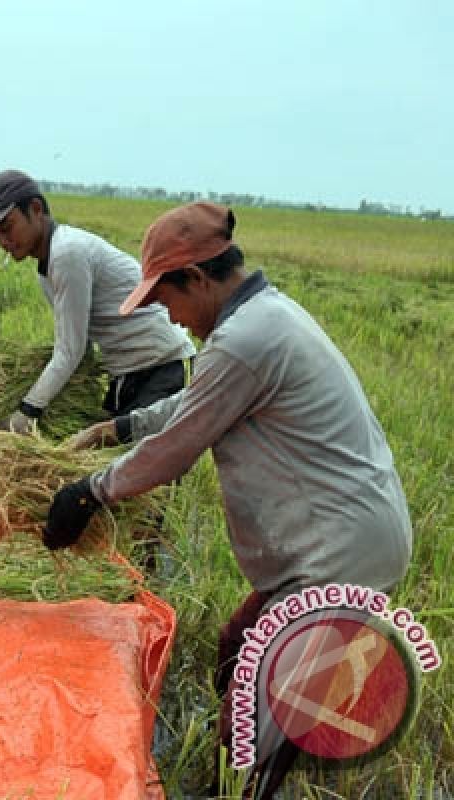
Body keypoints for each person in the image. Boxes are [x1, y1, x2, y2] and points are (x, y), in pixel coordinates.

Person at [43, 202, 413, 797]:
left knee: (251, 731)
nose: (174, 320)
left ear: (197, 278)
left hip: (341, 554)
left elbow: (177, 449)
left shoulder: (248, 337)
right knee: (236, 648)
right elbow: (197, 404)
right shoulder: (258, 323)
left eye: (167, 302)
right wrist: (117, 428)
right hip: (328, 543)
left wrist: (90, 492)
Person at [0, 169, 196, 432]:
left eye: (7, 228)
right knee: (107, 462)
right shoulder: (49, 264)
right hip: (129, 373)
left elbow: (70, 351)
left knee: (138, 466)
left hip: (160, 369)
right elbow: (79, 345)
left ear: (36, 208)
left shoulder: (67, 253)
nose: (4, 242)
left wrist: (28, 411)